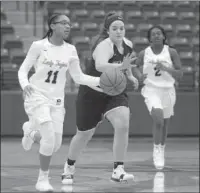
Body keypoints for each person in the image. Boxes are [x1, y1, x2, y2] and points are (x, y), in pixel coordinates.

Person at [18, 13, 102, 192]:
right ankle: (43, 179)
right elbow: (23, 69)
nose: (68, 26)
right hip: (36, 95)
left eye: (69, 24)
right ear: (52, 26)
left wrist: (99, 82)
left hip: (56, 100)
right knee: (48, 137)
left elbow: (78, 77)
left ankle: (31, 133)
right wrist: (25, 84)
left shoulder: (70, 49)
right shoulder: (39, 46)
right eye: (63, 23)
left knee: (54, 145)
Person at [61, 11, 139, 184]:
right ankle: (69, 165)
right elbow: (101, 65)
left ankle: (118, 169)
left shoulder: (127, 44)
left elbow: (126, 64)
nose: (119, 31)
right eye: (115, 28)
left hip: (113, 91)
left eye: (121, 28)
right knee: (84, 134)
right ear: (108, 30)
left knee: (123, 123)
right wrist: (121, 67)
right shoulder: (104, 45)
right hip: (92, 91)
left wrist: (131, 76)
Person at [133, 26, 183, 170]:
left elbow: (180, 73)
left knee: (165, 123)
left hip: (168, 90)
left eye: (158, 33)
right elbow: (134, 66)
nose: (156, 36)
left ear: (163, 37)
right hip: (151, 89)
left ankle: (162, 148)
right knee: (158, 118)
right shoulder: (144, 53)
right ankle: (156, 149)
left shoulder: (171, 52)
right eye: (153, 34)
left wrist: (166, 68)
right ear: (149, 38)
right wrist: (139, 76)